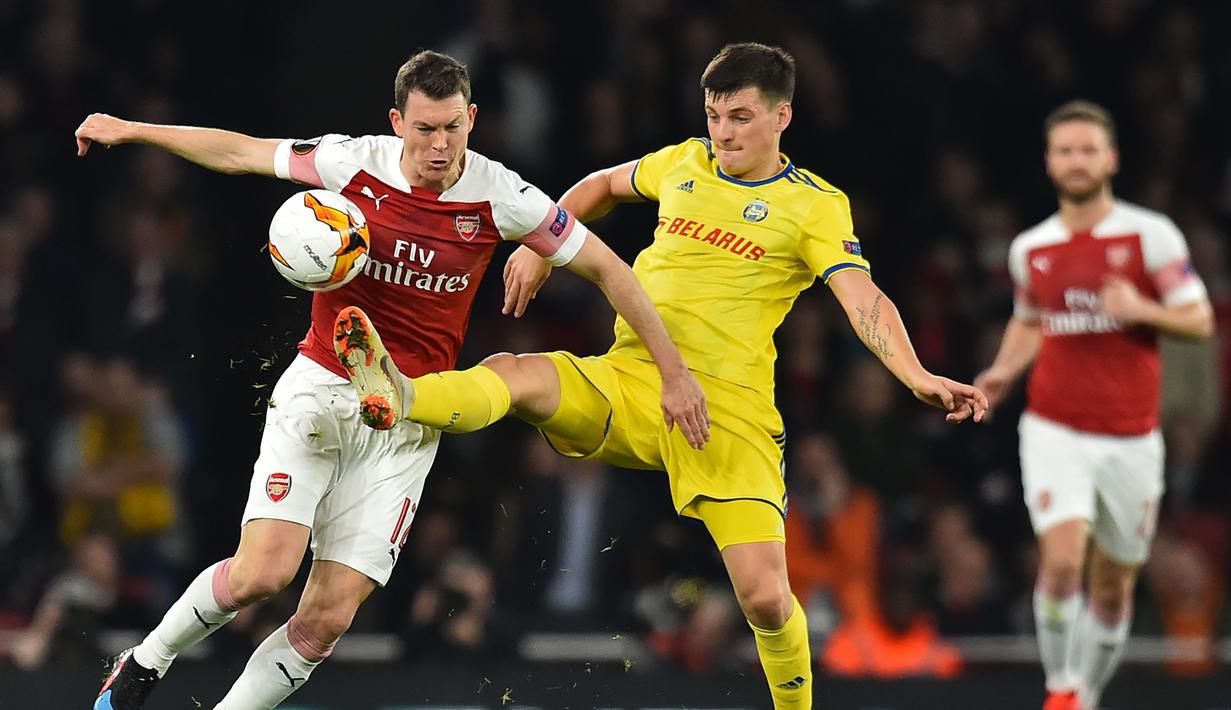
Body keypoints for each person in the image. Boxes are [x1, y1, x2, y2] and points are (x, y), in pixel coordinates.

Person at [336, 42, 987, 708]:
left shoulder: (815, 206)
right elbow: (599, 187)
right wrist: (543, 244)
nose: (722, 132)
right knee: (517, 374)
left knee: (764, 599)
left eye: (738, 116)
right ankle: (401, 393)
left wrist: (912, 372)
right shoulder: (682, 161)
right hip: (632, 380)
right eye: (713, 115)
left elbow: (861, 298)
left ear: (781, 115)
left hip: (725, 414)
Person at [74, 49, 706, 710]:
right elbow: (241, 152)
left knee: (327, 619)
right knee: (263, 574)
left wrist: (674, 375)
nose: (439, 144)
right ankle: (145, 660)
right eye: (425, 128)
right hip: (322, 385)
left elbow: (611, 270)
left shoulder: (501, 196)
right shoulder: (353, 163)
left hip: (408, 414)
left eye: (453, 128)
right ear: (397, 122)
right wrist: (136, 130)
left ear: (473, 119)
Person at [974, 99, 1214, 710]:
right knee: (1061, 563)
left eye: (1087, 150)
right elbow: (1030, 321)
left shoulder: (1149, 233)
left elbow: (1200, 318)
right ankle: (1059, 690)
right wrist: (1002, 374)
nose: (1076, 161)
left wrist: (1143, 311)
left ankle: (1087, 696)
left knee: (1111, 586)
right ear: (1050, 162)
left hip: (1132, 436)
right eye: (1064, 151)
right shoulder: (1031, 248)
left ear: (1110, 158)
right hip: (1055, 427)